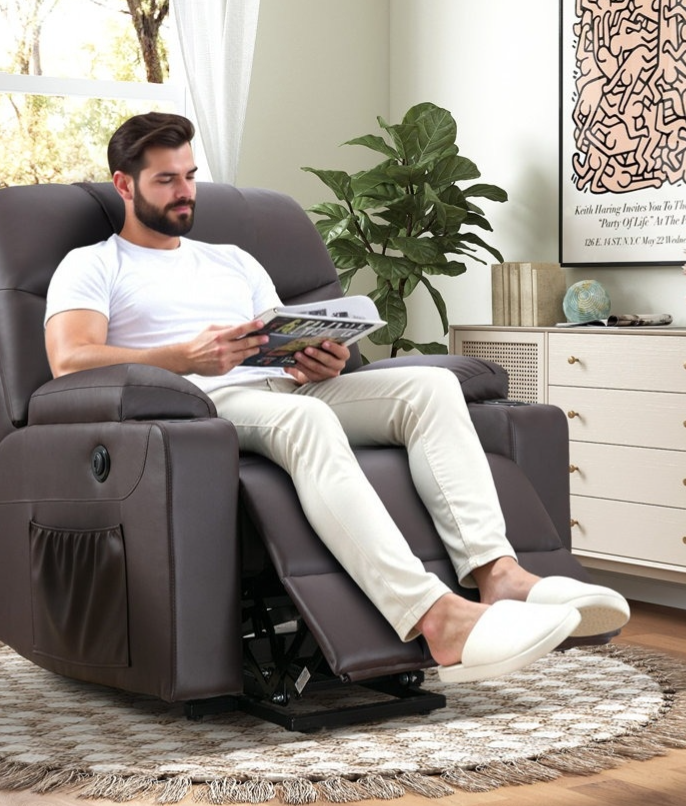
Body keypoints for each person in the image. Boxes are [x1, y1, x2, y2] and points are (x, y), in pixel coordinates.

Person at [44, 112, 630, 684]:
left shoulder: (231, 259)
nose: (185, 193)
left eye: (190, 176)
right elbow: (68, 359)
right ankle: (435, 616)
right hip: (198, 403)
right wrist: (183, 358)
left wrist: (320, 360)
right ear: (124, 185)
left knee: (429, 387)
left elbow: (278, 331)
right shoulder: (94, 265)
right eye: (166, 180)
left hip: (281, 386)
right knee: (305, 422)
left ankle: (497, 572)